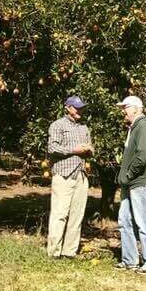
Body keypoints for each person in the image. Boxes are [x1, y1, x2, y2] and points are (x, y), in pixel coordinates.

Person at [115, 95, 146, 274]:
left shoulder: (143, 126)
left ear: (135, 108)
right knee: (124, 220)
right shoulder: (133, 127)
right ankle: (129, 260)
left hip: (139, 182)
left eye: (125, 107)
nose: (123, 111)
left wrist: (127, 175)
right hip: (129, 182)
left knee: (143, 223)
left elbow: (141, 157)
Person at [46, 96, 93, 259]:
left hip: (81, 174)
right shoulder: (57, 125)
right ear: (67, 108)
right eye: (76, 107)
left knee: (77, 215)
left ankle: (69, 251)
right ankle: (53, 252)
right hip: (63, 174)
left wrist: (89, 149)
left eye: (81, 107)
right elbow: (52, 147)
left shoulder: (84, 128)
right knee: (59, 214)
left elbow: (88, 147)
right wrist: (75, 150)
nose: (80, 110)